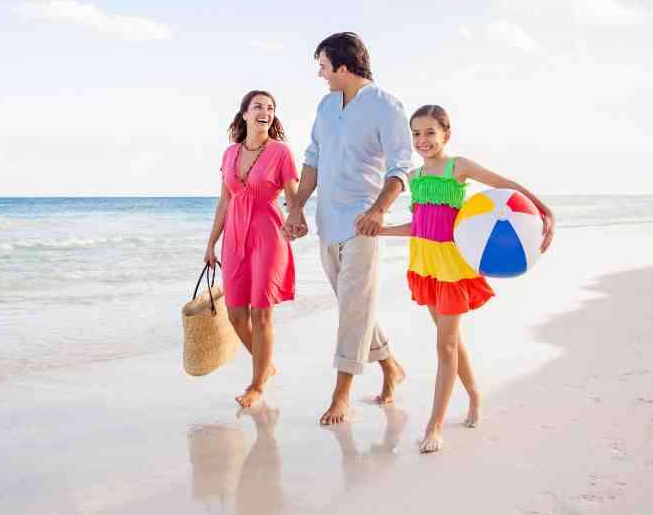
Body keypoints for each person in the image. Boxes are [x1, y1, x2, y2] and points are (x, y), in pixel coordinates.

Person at [379, 104, 555, 453]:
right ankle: (475, 395)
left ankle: (435, 426)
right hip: (425, 266)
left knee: (444, 345)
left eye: (430, 132)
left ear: (446, 134)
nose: (422, 140)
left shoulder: (458, 167)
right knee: (451, 342)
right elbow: (421, 227)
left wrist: (543, 209)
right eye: (416, 133)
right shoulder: (413, 178)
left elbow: (508, 186)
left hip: (453, 267)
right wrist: (380, 231)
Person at [282, 32, 414, 425]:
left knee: (353, 309)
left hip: (363, 224)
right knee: (354, 306)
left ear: (343, 66)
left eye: (323, 66)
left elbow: (400, 167)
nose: (321, 75)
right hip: (327, 222)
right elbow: (313, 159)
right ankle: (391, 366)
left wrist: (378, 210)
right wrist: (297, 208)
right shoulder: (325, 106)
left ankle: (342, 396)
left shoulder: (386, 106)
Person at [205, 90, 299, 408]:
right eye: (258, 106)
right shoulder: (230, 153)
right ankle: (265, 366)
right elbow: (224, 201)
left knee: (261, 312)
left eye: (271, 108)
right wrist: (210, 243)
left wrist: (297, 215)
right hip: (234, 236)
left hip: (269, 235)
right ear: (244, 113)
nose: (266, 111)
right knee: (234, 314)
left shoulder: (280, 153)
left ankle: (257, 385)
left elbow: (293, 192)